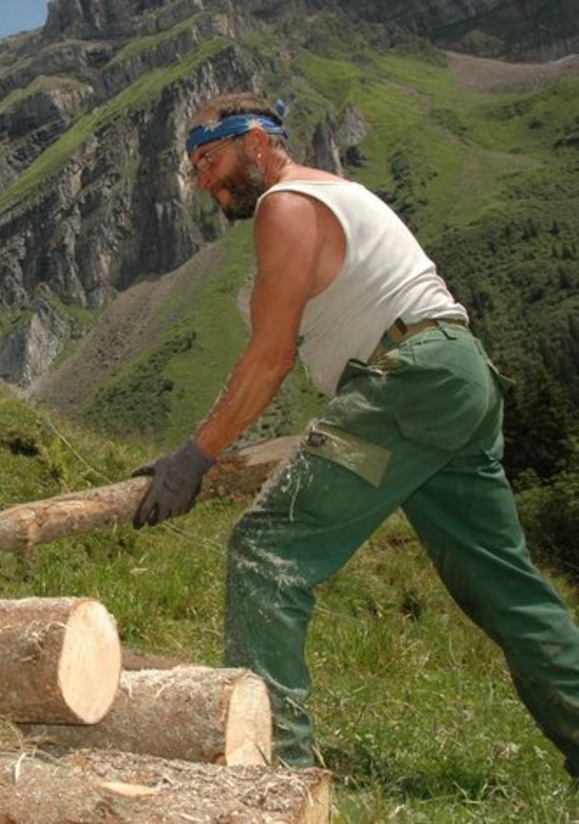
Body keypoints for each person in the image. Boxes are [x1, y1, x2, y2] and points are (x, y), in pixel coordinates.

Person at [132, 91, 579, 775]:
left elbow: (269, 356)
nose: (204, 181)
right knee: (505, 588)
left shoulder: (287, 205)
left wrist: (193, 457)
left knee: (266, 548)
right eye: (195, 169)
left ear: (256, 141)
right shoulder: (334, 195)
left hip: (405, 382)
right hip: (455, 375)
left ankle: (271, 778)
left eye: (210, 158)